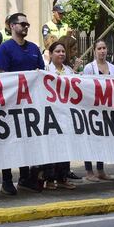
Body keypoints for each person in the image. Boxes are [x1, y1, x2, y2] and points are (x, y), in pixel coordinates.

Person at [0, 12, 46, 195]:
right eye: (22, 24)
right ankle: (6, 180)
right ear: (12, 26)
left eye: (27, 24)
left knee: (27, 142)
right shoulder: (4, 49)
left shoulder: (33, 48)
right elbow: (2, 76)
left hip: (30, 104)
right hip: (11, 105)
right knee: (8, 143)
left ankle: (25, 179)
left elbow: (41, 73)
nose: (25, 27)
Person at [42, 41, 78, 190]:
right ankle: (49, 179)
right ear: (50, 54)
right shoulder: (45, 70)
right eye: (57, 51)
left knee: (65, 148)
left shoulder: (69, 70)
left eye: (63, 51)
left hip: (66, 115)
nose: (61, 54)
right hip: (51, 115)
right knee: (51, 149)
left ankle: (62, 178)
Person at [81, 39, 114, 182]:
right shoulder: (89, 68)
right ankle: (89, 171)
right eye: (99, 48)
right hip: (92, 108)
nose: (102, 51)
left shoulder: (113, 67)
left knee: (103, 140)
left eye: (104, 48)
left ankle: (100, 170)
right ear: (94, 51)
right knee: (89, 139)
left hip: (107, 109)